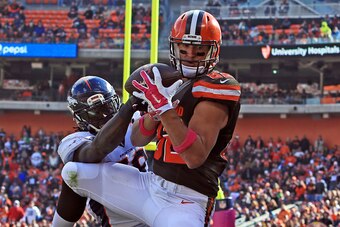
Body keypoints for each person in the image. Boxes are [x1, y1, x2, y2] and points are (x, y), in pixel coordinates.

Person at [61, 10, 241, 226]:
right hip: (151, 185)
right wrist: (153, 114)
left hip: (187, 200)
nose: (190, 56)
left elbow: (194, 157)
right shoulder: (170, 83)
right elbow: (137, 139)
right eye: (184, 50)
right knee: (73, 173)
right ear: (174, 47)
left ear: (213, 50)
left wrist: (165, 108)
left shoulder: (218, 87)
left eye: (199, 51)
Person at [52, 76, 148, 227]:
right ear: (79, 118)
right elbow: (97, 150)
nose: (104, 116)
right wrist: (128, 108)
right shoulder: (74, 140)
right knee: (71, 172)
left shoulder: (135, 118)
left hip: (151, 202)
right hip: (118, 217)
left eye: (107, 107)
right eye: (94, 112)